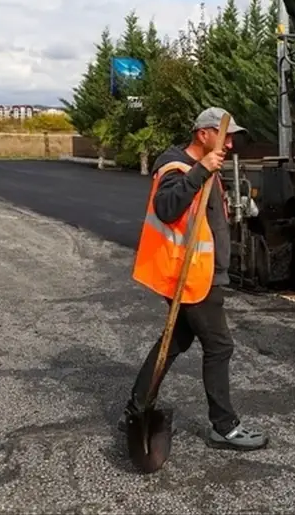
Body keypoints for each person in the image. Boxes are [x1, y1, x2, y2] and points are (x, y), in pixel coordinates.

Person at [119, 107, 269, 452]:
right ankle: (224, 427)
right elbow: (167, 208)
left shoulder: (205, 168)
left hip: (200, 273)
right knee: (219, 345)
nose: (229, 144)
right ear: (204, 134)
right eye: (224, 136)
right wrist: (201, 170)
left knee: (175, 341)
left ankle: (136, 408)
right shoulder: (177, 167)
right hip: (191, 277)